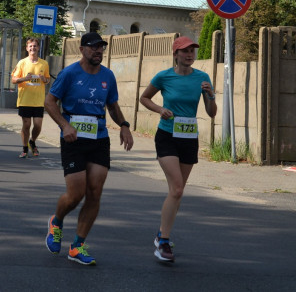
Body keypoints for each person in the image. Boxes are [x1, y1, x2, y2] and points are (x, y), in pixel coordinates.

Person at [43, 32, 134, 266]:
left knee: (95, 190)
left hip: (99, 137)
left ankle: (77, 246)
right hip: (73, 138)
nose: (98, 51)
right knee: (76, 194)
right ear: (82, 49)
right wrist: (65, 126)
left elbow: (112, 105)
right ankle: (57, 221)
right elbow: (50, 102)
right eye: (93, 47)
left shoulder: (108, 76)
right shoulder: (70, 73)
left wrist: (123, 125)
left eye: (101, 47)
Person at [138, 36, 217, 264]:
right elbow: (144, 98)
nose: (190, 54)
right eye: (185, 51)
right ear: (176, 54)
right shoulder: (164, 76)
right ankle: (163, 241)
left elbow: (211, 112)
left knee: (177, 191)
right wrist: (160, 109)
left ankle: (161, 232)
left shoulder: (202, 78)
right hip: (167, 136)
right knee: (178, 187)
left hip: (189, 137)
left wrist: (210, 95)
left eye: (192, 50)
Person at [11, 37, 50, 158]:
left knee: (38, 125)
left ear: (38, 48)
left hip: (38, 100)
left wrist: (44, 79)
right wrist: (24, 79)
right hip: (25, 99)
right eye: (30, 46)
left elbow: (47, 79)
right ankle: (24, 148)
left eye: (35, 46)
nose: (33, 48)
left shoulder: (44, 63)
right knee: (26, 125)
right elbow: (13, 79)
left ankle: (32, 141)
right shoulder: (22, 63)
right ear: (27, 48)